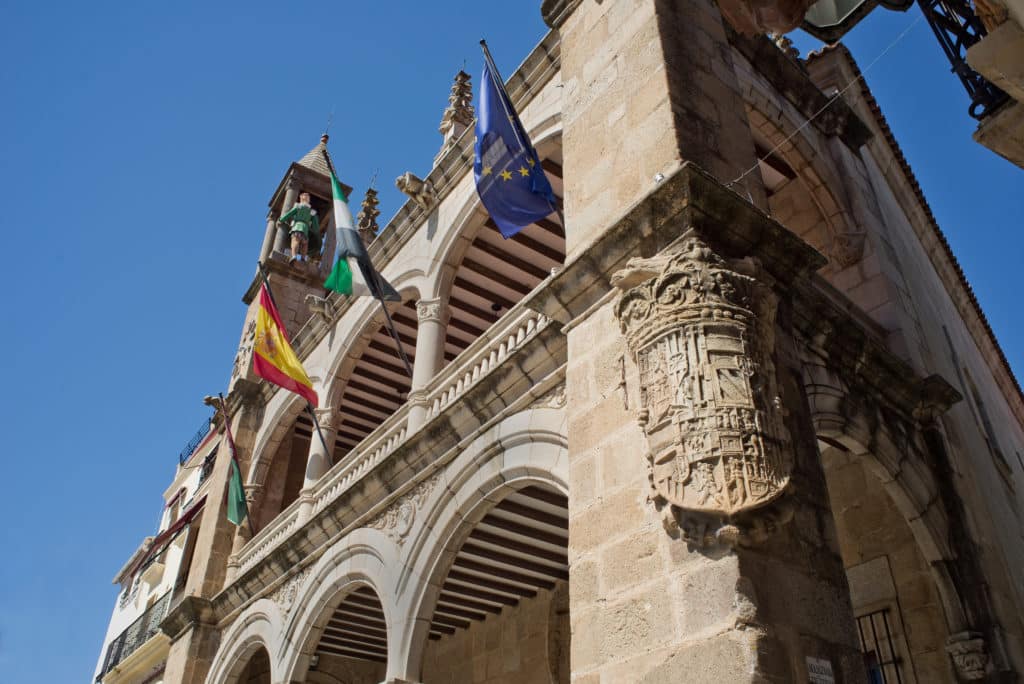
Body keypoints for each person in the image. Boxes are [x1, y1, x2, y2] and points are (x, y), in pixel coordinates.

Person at [278, 191, 321, 263]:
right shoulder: (312, 212)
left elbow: (289, 214)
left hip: (297, 227)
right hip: (306, 230)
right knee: (304, 244)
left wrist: (281, 220)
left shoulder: (298, 207)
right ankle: (303, 258)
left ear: (301, 199)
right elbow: (316, 226)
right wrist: (317, 233)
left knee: (295, 241)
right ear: (308, 200)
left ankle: (294, 256)